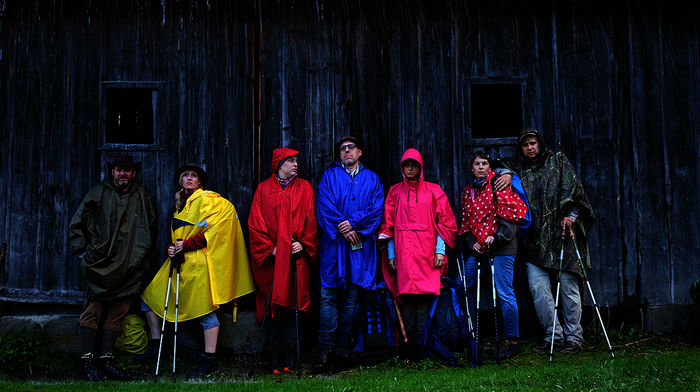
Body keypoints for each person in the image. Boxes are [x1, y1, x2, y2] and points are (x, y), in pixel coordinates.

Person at [140, 163, 255, 378]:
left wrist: (187, 245)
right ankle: (158, 348)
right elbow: (178, 236)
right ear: (181, 180)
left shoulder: (209, 200)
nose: (189, 179)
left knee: (205, 312)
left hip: (200, 265)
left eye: (194, 176)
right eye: (186, 175)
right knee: (148, 298)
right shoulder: (180, 205)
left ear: (200, 181)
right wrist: (171, 248)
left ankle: (209, 359)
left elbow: (219, 229)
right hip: (177, 263)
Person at [499, 128, 595, 354]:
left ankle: (574, 337)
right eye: (525, 145)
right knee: (539, 290)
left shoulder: (557, 160)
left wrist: (571, 215)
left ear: (540, 143)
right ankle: (553, 336)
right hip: (534, 241)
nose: (530, 148)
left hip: (562, 235)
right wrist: (506, 173)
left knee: (569, 287)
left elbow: (574, 189)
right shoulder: (518, 168)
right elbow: (493, 163)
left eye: (533, 143)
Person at [69, 154, 156, 381]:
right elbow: (77, 222)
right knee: (92, 312)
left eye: (127, 170)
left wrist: (141, 259)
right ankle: (87, 362)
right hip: (100, 266)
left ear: (134, 173)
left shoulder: (142, 196)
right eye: (119, 169)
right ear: (112, 172)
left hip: (129, 268)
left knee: (117, 315)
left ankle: (107, 360)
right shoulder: (99, 193)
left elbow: (150, 228)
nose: (123, 173)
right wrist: (83, 253)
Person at [315, 136, 384, 372]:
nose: (346, 152)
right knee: (327, 297)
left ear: (360, 152)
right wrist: (343, 229)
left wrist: (352, 224)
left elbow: (375, 210)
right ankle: (325, 350)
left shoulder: (372, 179)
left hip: (358, 248)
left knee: (351, 299)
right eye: (342, 149)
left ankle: (342, 350)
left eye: (350, 148)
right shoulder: (329, 177)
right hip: (333, 247)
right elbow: (324, 206)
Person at [379, 148, 457, 356]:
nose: (410, 168)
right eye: (407, 164)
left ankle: (422, 343)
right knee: (405, 295)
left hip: (427, 253)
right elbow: (389, 226)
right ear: (402, 167)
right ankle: (409, 343)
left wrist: (440, 250)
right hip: (403, 253)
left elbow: (446, 223)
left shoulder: (434, 190)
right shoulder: (395, 191)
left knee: (424, 295)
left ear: (420, 167)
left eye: (414, 164)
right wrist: (391, 254)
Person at [248, 148, 319, 373]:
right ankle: (273, 359)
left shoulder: (305, 188)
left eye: (297, 160)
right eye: (290, 161)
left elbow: (312, 220)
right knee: (273, 306)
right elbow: (255, 223)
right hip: (272, 260)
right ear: (279, 164)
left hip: (296, 258)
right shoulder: (263, 189)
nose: (296, 164)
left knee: (295, 306)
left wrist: (303, 243)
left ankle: (292, 358)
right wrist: (270, 249)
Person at [457, 151, 528, 360]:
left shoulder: (498, 184)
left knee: (504, 291)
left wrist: (495, 237)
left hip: (502, 245)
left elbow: (513, 215)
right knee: (462, 284)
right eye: (476, 164)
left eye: (484, 163)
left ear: (490, 167)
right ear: (472, 168)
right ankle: (468, 333)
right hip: (479, 247)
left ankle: (512, 340)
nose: (480, 167)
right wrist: (472, 243)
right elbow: (465, 223)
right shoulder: (468, 191)